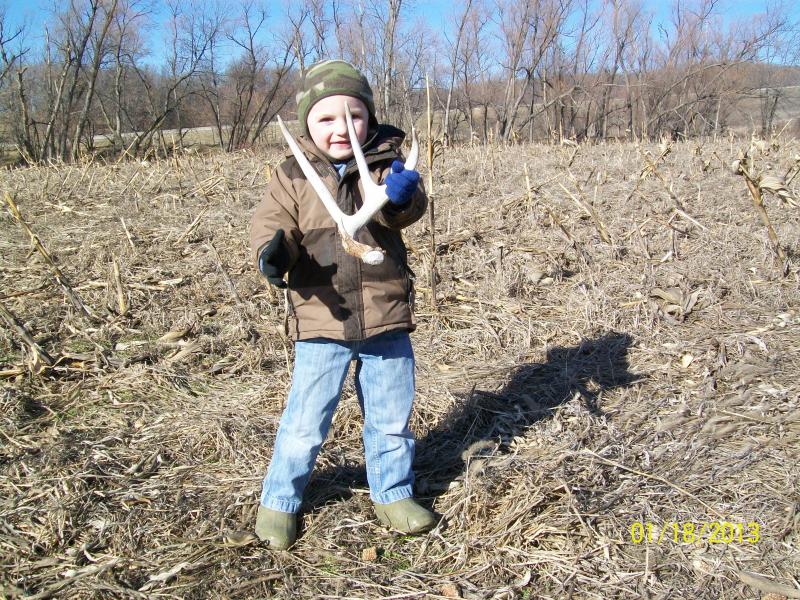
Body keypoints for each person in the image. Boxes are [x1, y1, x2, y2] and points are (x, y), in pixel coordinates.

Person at [250, 60, 434, 550]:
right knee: (305, 421)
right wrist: (274, 252)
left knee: (391, 417)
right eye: (326, 118)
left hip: (385, 312)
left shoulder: (387, 162)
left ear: (369, 118)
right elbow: (272, 226)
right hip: (322, 315)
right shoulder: (292, 173)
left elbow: (406, 215)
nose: (341, 128)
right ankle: (280, 501)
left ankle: (392, 492)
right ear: (308, 121)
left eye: (353, 115)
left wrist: (402, 196)